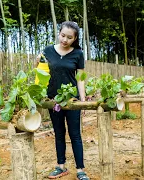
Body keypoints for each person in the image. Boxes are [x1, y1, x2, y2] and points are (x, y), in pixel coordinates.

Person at [36, 21, 90, 180]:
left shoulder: (78, 54)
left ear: (75, 39)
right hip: (54, 100)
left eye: (69, 37)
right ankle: (61, 166)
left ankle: (80, 170)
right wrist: (37, 60)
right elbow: (40, 72)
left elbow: (80, 79)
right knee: (59, 133)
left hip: (72, 100)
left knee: (75, 135)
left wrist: (83, 100)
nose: (65, 39)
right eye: (63, 35)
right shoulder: (48, 51)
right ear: (59, 33)